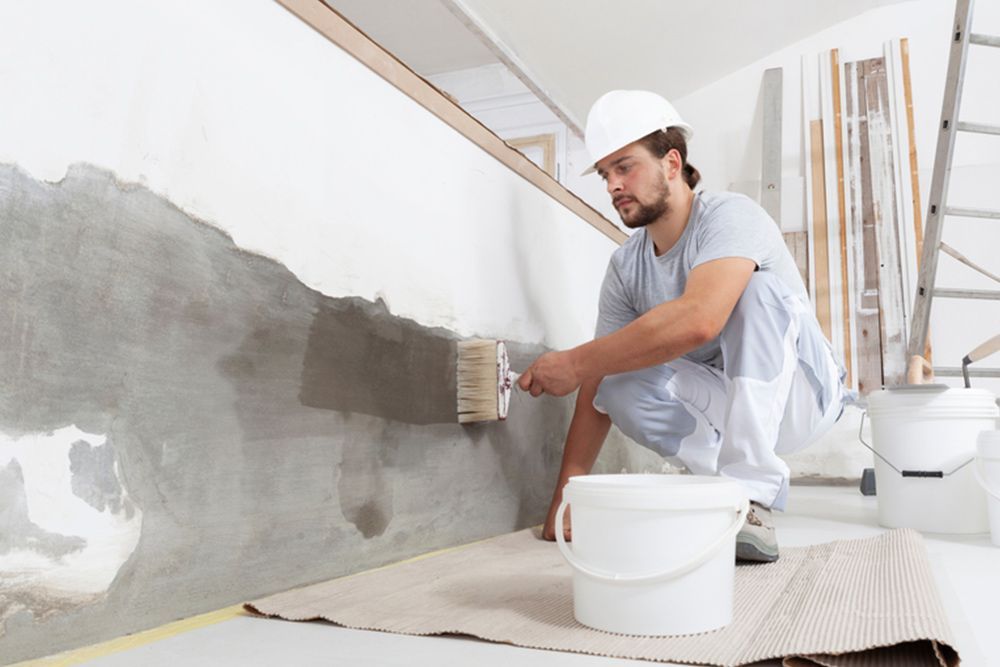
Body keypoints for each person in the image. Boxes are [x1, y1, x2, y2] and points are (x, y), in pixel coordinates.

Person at [516, 89, 852, 562]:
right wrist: (565, 500)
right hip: (727, 405)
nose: (613, 185)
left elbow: (700, 320)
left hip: (802, 394)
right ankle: (717, 488)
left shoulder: (730, 217)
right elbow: (594, 378)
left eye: (625, 166)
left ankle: (749, 499)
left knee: (755, 291)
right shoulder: (625, 268)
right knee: (611, 382)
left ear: (672, 163)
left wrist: (572, 361)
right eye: (606, 174)